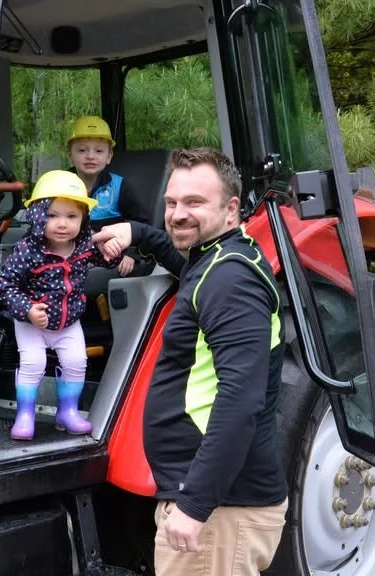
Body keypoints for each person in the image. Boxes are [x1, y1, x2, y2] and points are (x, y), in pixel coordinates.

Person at [94, 147, 288, 575]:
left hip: (221, 512)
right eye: (172, 203)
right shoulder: (214, 262)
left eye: (195, 203)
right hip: (212, 504)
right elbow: (188, 270)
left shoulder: (230, 281)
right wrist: (139, 233)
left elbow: (241, 400)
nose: (179, 214)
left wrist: (196, 504)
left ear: (232, 208)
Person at [0, 170, 123, 441]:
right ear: (38, 215)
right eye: (52, 215)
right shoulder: (28, 250)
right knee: (33, 363)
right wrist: (28, 309)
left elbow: (105, 259)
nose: (62, 224)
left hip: (68, 322)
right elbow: (5, 286)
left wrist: (116, 255)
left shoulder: (84, 244)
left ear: (83, 219)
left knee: (77, 361)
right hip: (32, 322)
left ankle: (67, 412)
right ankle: (25, 414)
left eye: (71, 216)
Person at [66, 115, 149, 277]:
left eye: (99, 150)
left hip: (110, 258)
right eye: (82, 150)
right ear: (70, 155)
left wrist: (132, 255)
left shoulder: (119, 186)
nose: (90, 156)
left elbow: (141, 225)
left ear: (109, 156)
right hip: (68, 257)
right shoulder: (59, 185)